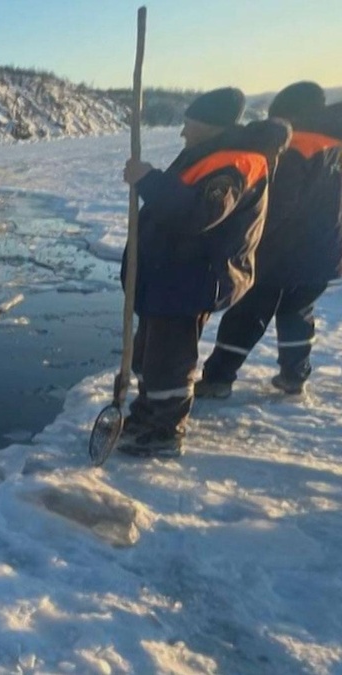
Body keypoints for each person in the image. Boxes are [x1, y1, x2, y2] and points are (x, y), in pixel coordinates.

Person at [118, 87, 291, 458]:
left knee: (168, 359)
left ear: (210, 126)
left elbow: (199, 213)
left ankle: (165, 431)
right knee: (150, 354)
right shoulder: (212, 154)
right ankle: (149, 414)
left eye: (189, 124)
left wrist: (149, 180)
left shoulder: (235, 164)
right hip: (171, 274)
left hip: (190, 279)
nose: (183, 133)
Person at [196, 82, 342, 398]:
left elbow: (278, 205)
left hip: (279, 254)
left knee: (246, 314)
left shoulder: (295, 147)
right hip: (323, 253)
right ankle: (295, 375)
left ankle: (218, 379)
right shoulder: (334, 143)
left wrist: (248, 237)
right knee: (297, 313)